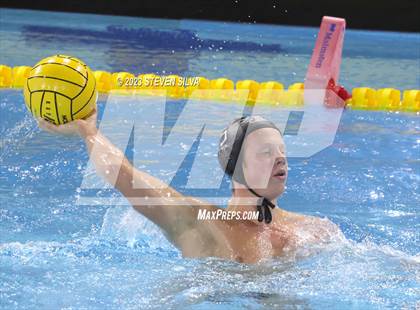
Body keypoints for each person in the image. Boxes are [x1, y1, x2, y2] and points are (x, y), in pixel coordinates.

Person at [37, 111, 342, 263]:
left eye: (282, 152)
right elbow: (125, 177)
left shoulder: (317, 230)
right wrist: (87, 129)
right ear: (236, 167)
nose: (280, 159)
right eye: (265, 152)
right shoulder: (201, 223)